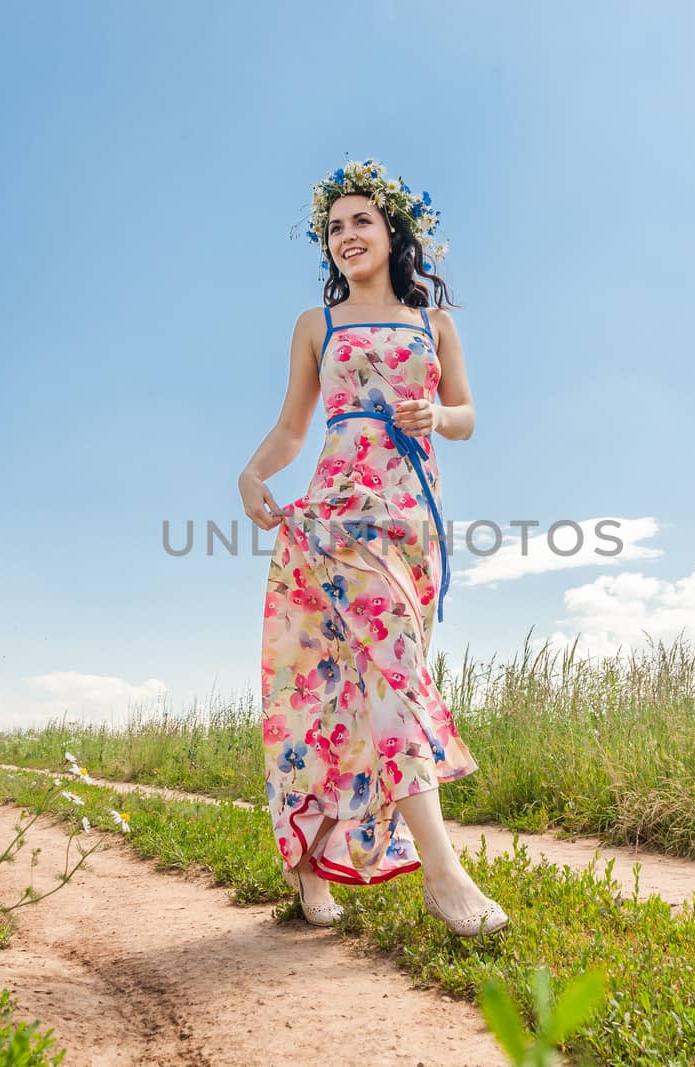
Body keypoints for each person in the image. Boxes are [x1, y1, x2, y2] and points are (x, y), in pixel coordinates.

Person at [237, 159, 507, 938]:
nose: (346, 236)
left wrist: (435, 416)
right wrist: (252, 472)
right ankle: (444, 874)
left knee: (365, 691)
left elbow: (467, 415)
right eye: (333, 228)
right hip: (334, 518)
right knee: (335, 683)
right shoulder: (315, 326)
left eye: (360, 221)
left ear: (392, 232)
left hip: (411, 519)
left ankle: (311, 863)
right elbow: (293, 426)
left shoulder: (435, 325)